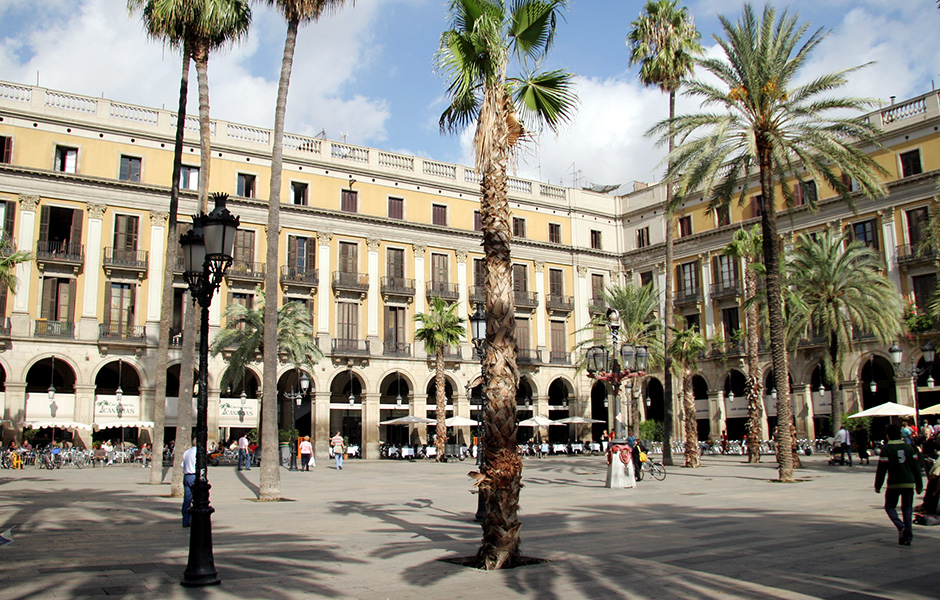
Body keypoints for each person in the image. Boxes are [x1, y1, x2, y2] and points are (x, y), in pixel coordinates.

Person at [875, 423, 923, 545]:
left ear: (888, 436)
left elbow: (882, 469)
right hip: (908, 483)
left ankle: (901, 527)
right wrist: (919, 484)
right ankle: (907, 537)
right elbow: (916, 468)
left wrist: (878, 485)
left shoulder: (887, 449)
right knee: (907, 509)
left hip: (894, 484)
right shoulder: (909, 448)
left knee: (890, 507)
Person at [181, 442, 197, 528]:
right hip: (194, 476)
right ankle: (197, 519)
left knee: (187, 500)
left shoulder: (186, 452)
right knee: (198, 499)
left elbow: (182, 465)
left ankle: (186, 520)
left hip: (186, 476)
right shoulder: (198, 452)